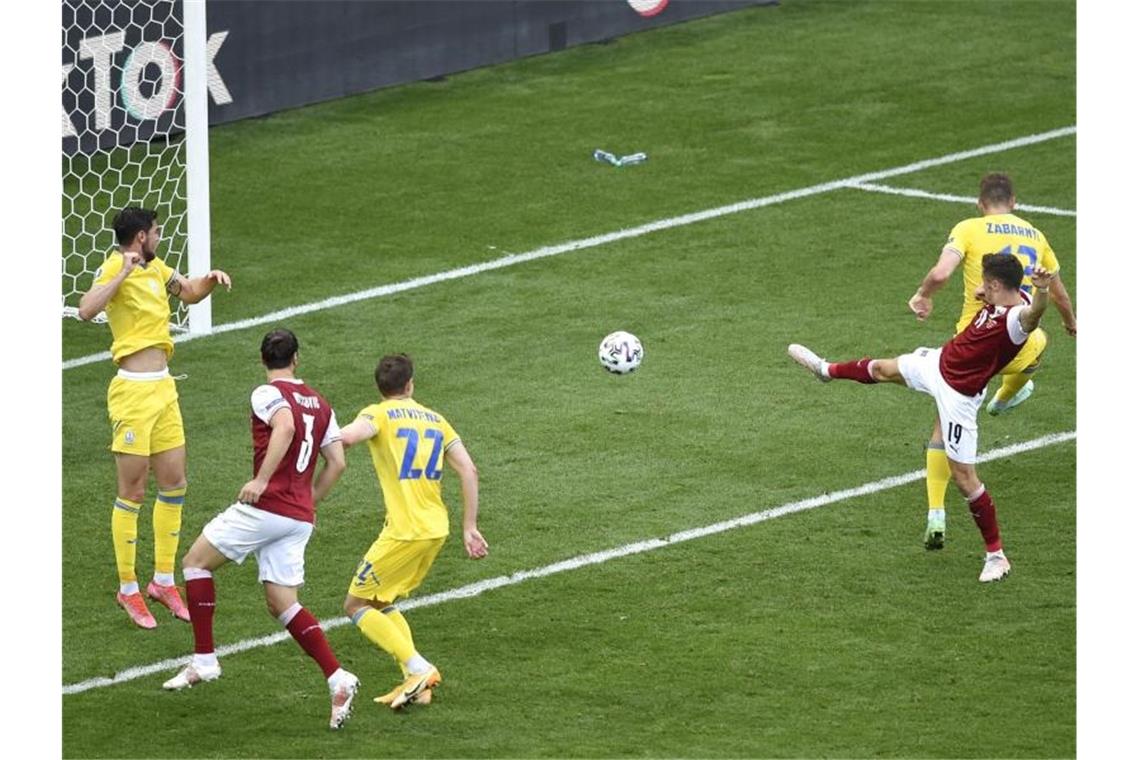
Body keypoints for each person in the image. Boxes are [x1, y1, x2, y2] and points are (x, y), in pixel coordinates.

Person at [789, 253, 1055, 583]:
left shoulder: (1019, 317)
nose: (982, 288)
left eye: (987, 284)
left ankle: (996, 556)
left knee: (965, 479)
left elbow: (1033, 315)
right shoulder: (1009, 296)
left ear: (998, 284)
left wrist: (1044, 292)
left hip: (960, 397)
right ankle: (825, 370)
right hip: (940, 363)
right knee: (883, 368)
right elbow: (1009, 300)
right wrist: (987, 296)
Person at [162, 329, 360, 730]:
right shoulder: (322, 403)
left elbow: (284, 428)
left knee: (195, 563)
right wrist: (307, 502)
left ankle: (205, 660)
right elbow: (337, 463)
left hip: (266, 508)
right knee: (282, 603)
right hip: (297, 516)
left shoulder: (266, 394)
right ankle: (339, 678)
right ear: (297, 359)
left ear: (262, 360)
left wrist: (262, 481)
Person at [78, 207, 232, 629]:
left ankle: (163, 581)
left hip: (164, 389)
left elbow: (187, 292)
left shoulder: (158, 266)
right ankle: (127, 588)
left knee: (174, 482)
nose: (161, 235)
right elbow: (86, 310)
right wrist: (121, 275)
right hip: (131, 392)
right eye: (157, 231)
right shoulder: (114, 265)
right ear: (141, 236)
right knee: (133, 490)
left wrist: (210, 281)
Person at [906, 173, 1076, 549]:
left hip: (972, 349)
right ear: (1014, 201)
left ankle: (936, 512)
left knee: (941, 425)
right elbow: (1057, 290)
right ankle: (1005, 397)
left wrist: (923, 295)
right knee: (1037, 344)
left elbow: (941, 272)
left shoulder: (969, 227)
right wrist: (1071, 321)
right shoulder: (1035, 234)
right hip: (1016, 343)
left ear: (980, 204)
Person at [337, 353, 488, 709]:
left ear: (380, 387)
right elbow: (469, 470)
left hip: (404, 532)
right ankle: (415, 681)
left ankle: (420, 669)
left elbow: (346, 438)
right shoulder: (437, 421)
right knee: (381, 600)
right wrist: (470, 527)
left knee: (355, 604)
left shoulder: (377, 413)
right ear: (410, 385)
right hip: (437, 528)